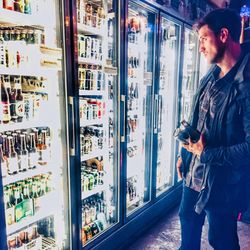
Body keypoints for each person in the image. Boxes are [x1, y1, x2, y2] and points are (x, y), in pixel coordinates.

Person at [177, 8, 250, 250]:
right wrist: (185, 155)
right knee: (187, 224)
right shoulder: (211, 74)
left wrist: (209, 153)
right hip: (194, 174)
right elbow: (198, 116)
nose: (200, 47)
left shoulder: (246, 84)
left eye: (203, 39)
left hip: (224, 184)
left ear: (223, 35)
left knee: (221, 240)